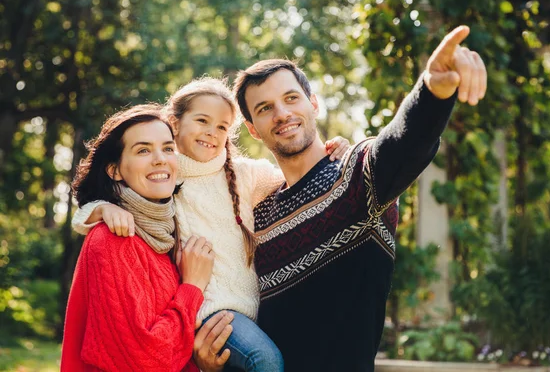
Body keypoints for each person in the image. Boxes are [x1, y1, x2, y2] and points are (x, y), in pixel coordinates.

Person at [195, 25, 487, 372]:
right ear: (254, 130)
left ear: (313, 103)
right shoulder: (254, 211)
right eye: (265, 108)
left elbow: (403, 144)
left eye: (291, 98)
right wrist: (212, 361)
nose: (282, 114)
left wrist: (433, 89)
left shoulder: (356, 177)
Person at [72, 78, 350, 372]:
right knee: (265, 361)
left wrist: (334, 150)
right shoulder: (165, 177)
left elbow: (298, 173)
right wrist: (101, 209)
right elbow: (113, 198)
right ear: (174, 124)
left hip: (254, 307)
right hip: (209, 311)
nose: (212, 132)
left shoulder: (244, 174)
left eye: (222, 126)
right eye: (202, 120)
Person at [61, 104, 214, 371]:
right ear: (115, 170)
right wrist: (193, 287)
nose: (160, 159)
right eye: (143, 150)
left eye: (168, 148)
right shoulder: (112, 238)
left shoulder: (166, 235)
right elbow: (145, 360)